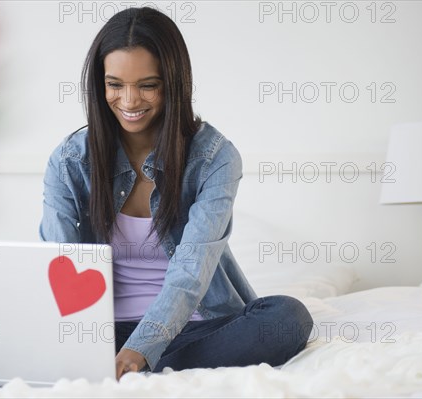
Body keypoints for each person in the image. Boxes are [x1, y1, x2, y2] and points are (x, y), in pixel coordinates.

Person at [40, 7, 313, 381]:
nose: (130, 100)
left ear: (173, 82)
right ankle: (141, 363)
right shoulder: (71, 159)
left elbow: (191, 271)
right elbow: (56, 258)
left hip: (195, 327)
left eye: (147, 85)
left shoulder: (213, 157)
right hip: (100, 333)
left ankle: (148, 364)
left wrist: (141, 349)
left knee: (287, 317)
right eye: (115, 84)